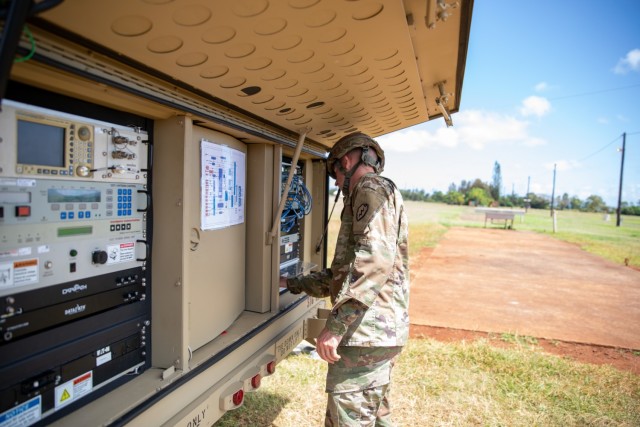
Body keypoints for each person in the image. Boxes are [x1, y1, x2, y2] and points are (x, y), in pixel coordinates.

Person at [282, 132, 410, 426]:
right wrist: (291, 283)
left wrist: (336, 327)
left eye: (335, 175)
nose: (337, 184)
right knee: (375, 415)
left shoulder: (369, 188)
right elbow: (345, 275)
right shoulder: (376, 190)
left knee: (348, 419)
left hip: (364, 334)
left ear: (348, 161)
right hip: (377, 334)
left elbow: (373, 263)